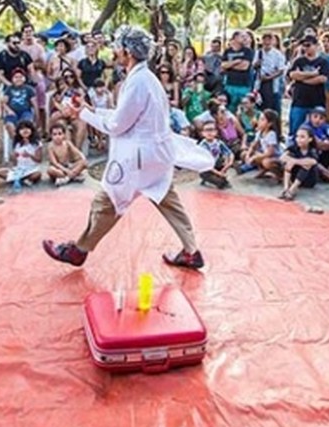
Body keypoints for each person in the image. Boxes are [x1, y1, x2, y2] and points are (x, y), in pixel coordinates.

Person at [42, 25, 212, 269]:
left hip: (137, 159)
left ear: (127, 52)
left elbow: (117, 125)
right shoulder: (147, 79)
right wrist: (89, 110)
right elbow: (129, 117)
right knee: (167, 199)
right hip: (157, 156)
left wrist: (85, 115)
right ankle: (191, 250)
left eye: (117, 47)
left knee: (106, 202)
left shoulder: (137, 82)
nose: (113, 51)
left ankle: (78, 250)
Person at [286, 35, 329, 136]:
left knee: (317, 130)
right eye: (303, 45)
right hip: (299, 100)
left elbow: (322, 79)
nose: (305, 47)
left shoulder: (323, 62)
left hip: (317, 101)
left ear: (316, 45)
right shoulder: (298, 61)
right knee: (295, 129)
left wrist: (302, 79)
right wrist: (312, 74)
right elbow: (292, 75)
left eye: (308, 45)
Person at [0, 119, 42, 185]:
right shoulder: (17, 144)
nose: (25, 130)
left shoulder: (36, 144)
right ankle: (21, 179)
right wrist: (14, 156)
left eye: (27, 128)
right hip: (19, 169)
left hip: (31, 169)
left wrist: (30, 155)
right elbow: (15, 163)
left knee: (37, 174)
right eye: (22, 129)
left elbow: (39, 160)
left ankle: (21, 179)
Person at [279, 126, 319, 201]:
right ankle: (286, 188)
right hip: (294, 176)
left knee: (307, 165)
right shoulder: (294, 148)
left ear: (310, 139)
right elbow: (282, 157)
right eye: (297, 137)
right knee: (289, 163)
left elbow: (313, 161)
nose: (299, 139)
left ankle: (292, 189)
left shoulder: (312, 150)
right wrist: (292, 161)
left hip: (308, 179)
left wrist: (295, 161)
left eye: (302, 137)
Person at [221, 31, 254, 112]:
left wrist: (229, 66)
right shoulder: (227, 51)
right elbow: (223, 65)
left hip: (244, 85)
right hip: (230, 84)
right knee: (230, 107)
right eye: (241, 36)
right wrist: (236, 62)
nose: (244, 38)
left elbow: (244, 66)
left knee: (243, 107)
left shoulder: (247, 51)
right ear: (235, 38)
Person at [242, 109, 281, 177]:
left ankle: (280, 175)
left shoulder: (271, 134)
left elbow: (270, 153)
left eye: (262, 120)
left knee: (266, 162)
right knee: (244, 154)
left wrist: (254, 157)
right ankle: (262, 170)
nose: (259, 121)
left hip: (274, 157)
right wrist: (248, 154)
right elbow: (253, 145)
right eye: (259, 119)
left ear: (269, 124)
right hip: (264, 154)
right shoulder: (260, 132)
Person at [197, 120, 234, 189]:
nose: (209, 133)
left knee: (222, 161)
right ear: (202, 133)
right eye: (206, 130)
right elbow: (206, 164)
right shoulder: (202, 146)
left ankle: (217, 177)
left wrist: (229, 164)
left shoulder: (218, 142)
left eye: (211, 130)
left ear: (216, 132)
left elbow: (229, 153)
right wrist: (219, 173)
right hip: (206, 169)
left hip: (216, 165)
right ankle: (209, 178)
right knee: (221, 183)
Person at [2, 68, 36, 139]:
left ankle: (25, 143)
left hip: (25, 112)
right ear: (12, 79)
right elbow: (3, 103)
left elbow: (34, 104)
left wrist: (36, 117)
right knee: (9, 125)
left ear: (24, 78)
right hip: (12, 113)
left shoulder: (29, 89)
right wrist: (9, 110)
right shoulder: (9, 89)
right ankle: (16, 143)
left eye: (20, 77)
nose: (18, 79)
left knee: (26, 125)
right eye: (16, 77)